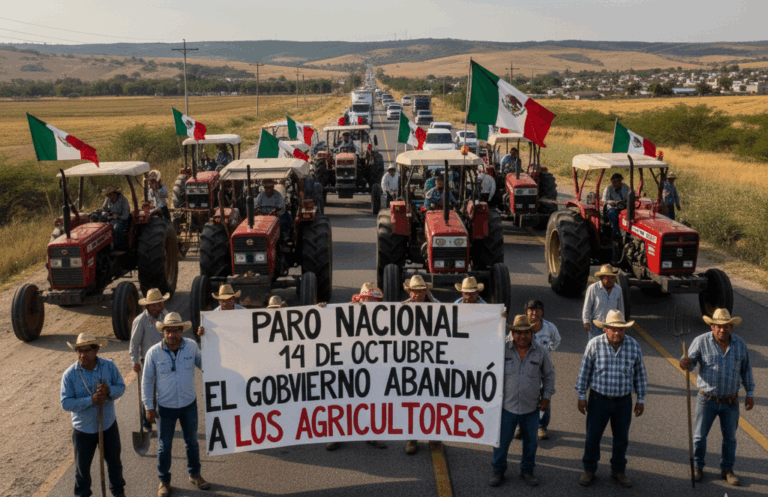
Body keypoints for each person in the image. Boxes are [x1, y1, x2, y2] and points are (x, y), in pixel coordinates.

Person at [679, 308, 755, 486]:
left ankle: (727, 469)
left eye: (726, 326)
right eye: (718, 326)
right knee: (699, 437)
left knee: (730, 438)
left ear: (731, 327)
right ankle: (698, 467)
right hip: (707, 400)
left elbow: (746, 371)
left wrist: (750, 394)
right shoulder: (701, 341)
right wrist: (685, 362)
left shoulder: (740, 344)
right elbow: (689, 364)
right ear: (712, 326)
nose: (722, 330)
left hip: (731, 402)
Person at [575, 309, 647, 488]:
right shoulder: (594, 344)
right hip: (599, 399)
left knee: (621, 438)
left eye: (620, 329)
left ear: (625, 330)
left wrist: (641, 399)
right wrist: (581, 396)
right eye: (613, 329)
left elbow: (640, 374)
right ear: (605, 329)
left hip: (623, 401)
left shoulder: (633, 346)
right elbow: (584, 372)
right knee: (593, 436)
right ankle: (589, 469)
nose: (617, 333)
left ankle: (618, 470)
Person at [143, 313, 209, 496]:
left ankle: (195, 474)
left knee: (192, 442)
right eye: (168, 331)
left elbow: (206, 365)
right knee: (164, 446)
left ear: (182, 331)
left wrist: (208, 339)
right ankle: (164, 481)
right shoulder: (153, 353)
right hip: (165, 407)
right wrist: (148, 407)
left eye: (176, 331)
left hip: (189, 404)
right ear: (163, 332)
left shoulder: (192, 347)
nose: (172, 335)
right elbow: (147, 381)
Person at [490, 315, 555, 488]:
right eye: (518, 332)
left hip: (531, 409)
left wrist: (547, 396)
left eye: (526, 332)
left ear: (531, 332)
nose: (523, 336)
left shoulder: (540, 351)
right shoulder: (501, 349)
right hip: (506, 407)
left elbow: (549, 375)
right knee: (501, 443)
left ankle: (527, 470)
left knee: (531, 444)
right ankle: (498, 471)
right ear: (512, 333)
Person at [61, 333, 126, 497]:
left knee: (114, 464)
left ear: (96, 350)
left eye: (86, 350)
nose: (82, 355)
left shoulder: (109, 366)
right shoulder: (69, 375)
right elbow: (66, 403)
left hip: (108, 426)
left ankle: (118, 493)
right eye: (79, 351)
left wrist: (109, 390)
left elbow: (121, 387)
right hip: (83, 430)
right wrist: (91, 400)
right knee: (82, 470)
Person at [326, 283, 388, 452]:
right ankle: (336, 435)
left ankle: (372, 434)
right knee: (343, 400)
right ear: (362, 299)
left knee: (371, 400)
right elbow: (327, 327)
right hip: (348, 364)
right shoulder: (347, 313)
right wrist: (322, 310)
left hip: (372, 365)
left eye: (375, 300)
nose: (372, 303)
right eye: (369, 299)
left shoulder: (383, 317)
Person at [402, 275, 439, 454]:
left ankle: (433, 435)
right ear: (410, 292)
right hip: (411, 365)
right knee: (413, 402)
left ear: (426, 291)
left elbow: (461, 316)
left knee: (433, 400)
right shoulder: (401, 308)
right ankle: (412, 438)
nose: (418, 295)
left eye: (421, 291)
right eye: (414, 292)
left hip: (432, 363)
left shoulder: (438, 308)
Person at [514, 300, 560, 441]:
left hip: (542, 370)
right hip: (523, 369)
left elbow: (556, 341)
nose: (534, 313)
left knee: (544, 397)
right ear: (526, 312)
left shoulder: (550, 328)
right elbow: (509, 341)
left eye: (537, 310)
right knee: (520, 397)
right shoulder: (520, 326)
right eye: (531, 310)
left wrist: (546, 354)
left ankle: (541, 427)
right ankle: (519, 427)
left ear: (542, 312)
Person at [129, 288, 170, 430]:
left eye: (160, 304)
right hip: (148, 363)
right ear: (148, 306)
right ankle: (146, 423)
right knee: (148, 395)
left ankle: (162, 419)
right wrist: (134, 361)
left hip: (165, 361)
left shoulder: (166, 316)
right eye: (155, 305)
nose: (159, 307)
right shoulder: (140, 321)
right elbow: (134, 344)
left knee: (164, 393)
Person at [582, 264, 625, 341]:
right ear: (601, 278)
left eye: (612, 277)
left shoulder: (618, 289)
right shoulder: (593, 288)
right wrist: (586, 321)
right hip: (596, 325)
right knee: (595, 348)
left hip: (611, 326)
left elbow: (620, 308)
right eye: (606, 278)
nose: (609, 280)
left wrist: (622, 324)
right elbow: (587, 306)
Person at [602, 172, 630, 238]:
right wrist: (614, 202)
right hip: (613, 207)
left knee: (632, 216)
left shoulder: (626, 187)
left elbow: (630, 196)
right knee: (614, 216)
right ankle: (615, 234)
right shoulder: (608, 189)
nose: (615, 183)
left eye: (618, 181)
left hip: (624, 206)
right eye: (613, 182)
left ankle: (629, 234)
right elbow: (605, 200)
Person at [102, 186, 130, 250]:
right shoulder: (108, 200)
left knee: (116, 228)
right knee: (102, 225)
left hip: (122, 221)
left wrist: (116, 216)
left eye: (109, 195)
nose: (108, 197)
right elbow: (104, 208)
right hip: (112, 220)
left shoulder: (123, 200)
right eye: (107, 195)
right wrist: (107, 213)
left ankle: (118, 248)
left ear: (114, 194)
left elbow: (125, 216)